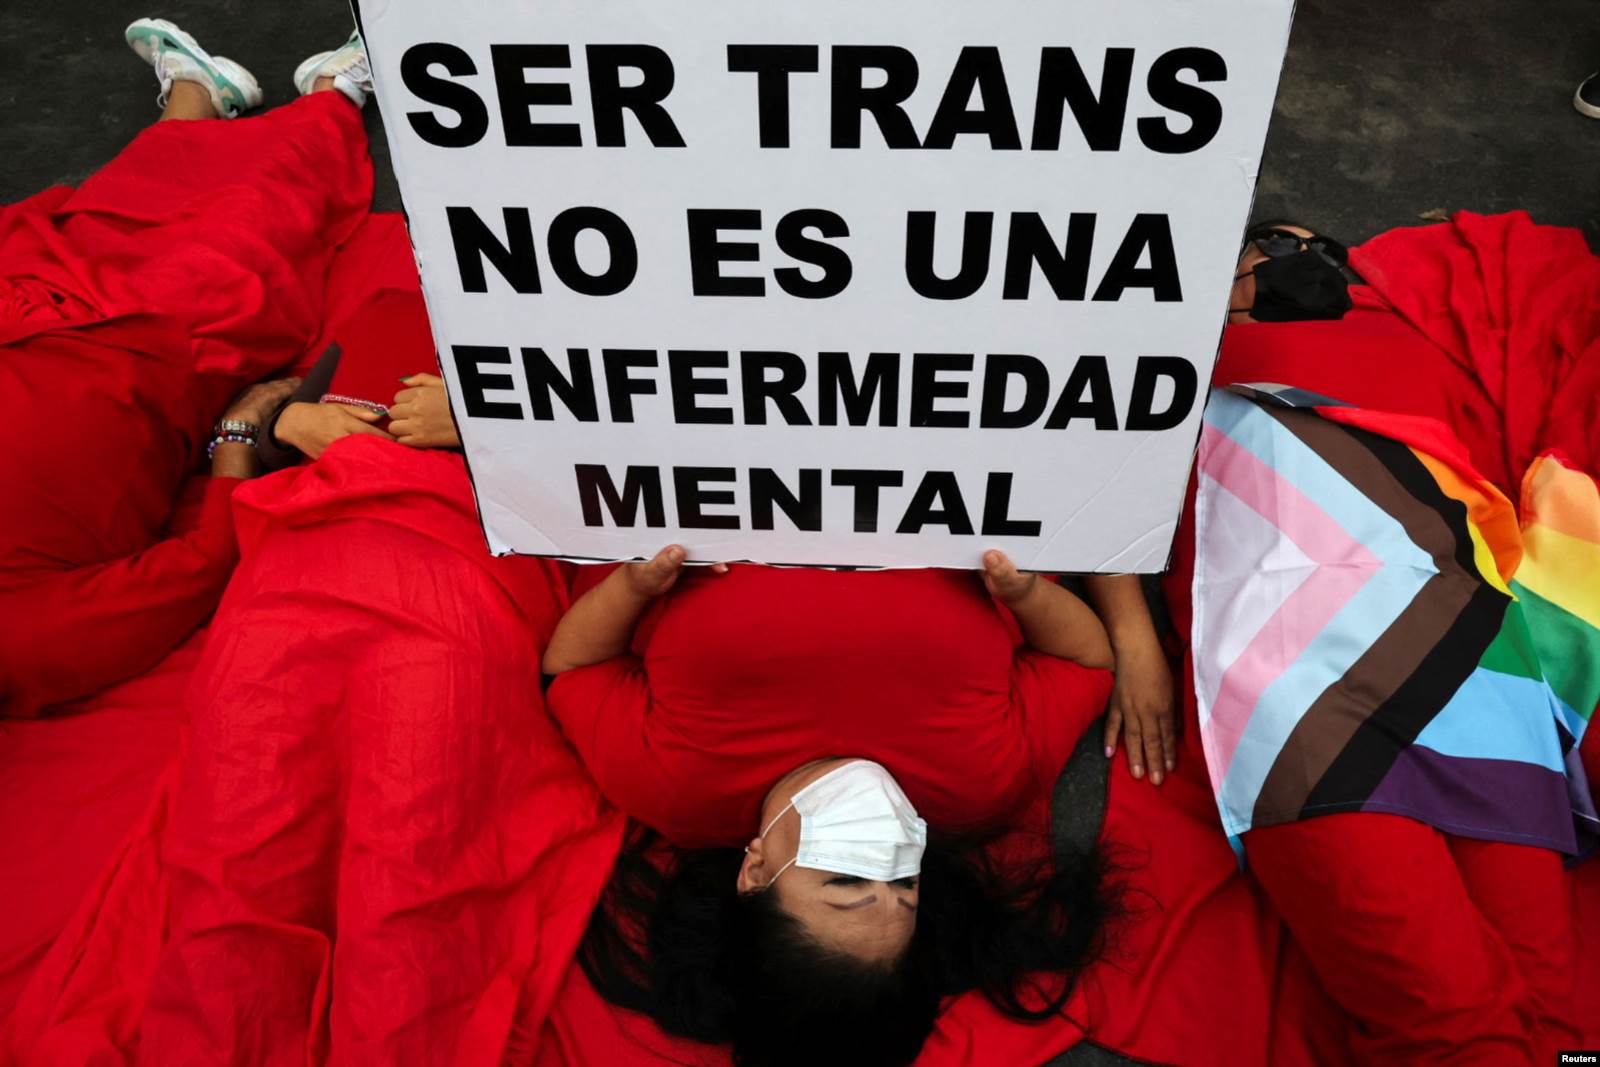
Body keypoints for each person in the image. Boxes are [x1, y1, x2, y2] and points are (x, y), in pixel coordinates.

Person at [541, 547, 1119, 1067]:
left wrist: (635, 585)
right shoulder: (983, 784)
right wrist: (1027, 594)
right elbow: (1086, 662)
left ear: (755, 873)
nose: (886, 849)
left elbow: (572, 668)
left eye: (846, 879)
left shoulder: (669, 785)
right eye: (905, 883)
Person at [0, 17, 373, 713]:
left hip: (28, 308)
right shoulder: (23, 642)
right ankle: (332, 93)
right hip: (154, 353)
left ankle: (198, 92)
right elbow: (202, 562)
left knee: (111, 209)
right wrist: (238, 429)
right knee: (247, 224)